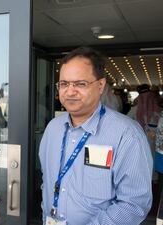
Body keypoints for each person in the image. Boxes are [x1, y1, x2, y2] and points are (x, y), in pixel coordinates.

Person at [39, 46, 153, 225]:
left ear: (101, 85)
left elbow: (133, 204)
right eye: (64, 84)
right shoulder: (53, 129)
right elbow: (48, 182)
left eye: (80, 84)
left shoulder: (126, 135)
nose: (70, 91)